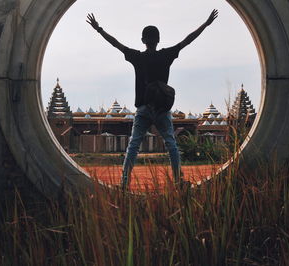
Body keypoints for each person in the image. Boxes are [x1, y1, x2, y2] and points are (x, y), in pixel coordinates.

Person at [87, 10, 219, 189]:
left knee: (133, 145)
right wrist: (206, 24)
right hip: (162, 109)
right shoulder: (166, 55)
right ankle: (178, 181)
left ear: (143, 40)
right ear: (158, 40)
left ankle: (124, 183)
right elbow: (187, 40)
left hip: (143, 109)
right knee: (171, 144)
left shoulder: (138, 57)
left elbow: (116, 44)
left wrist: (99, 29)